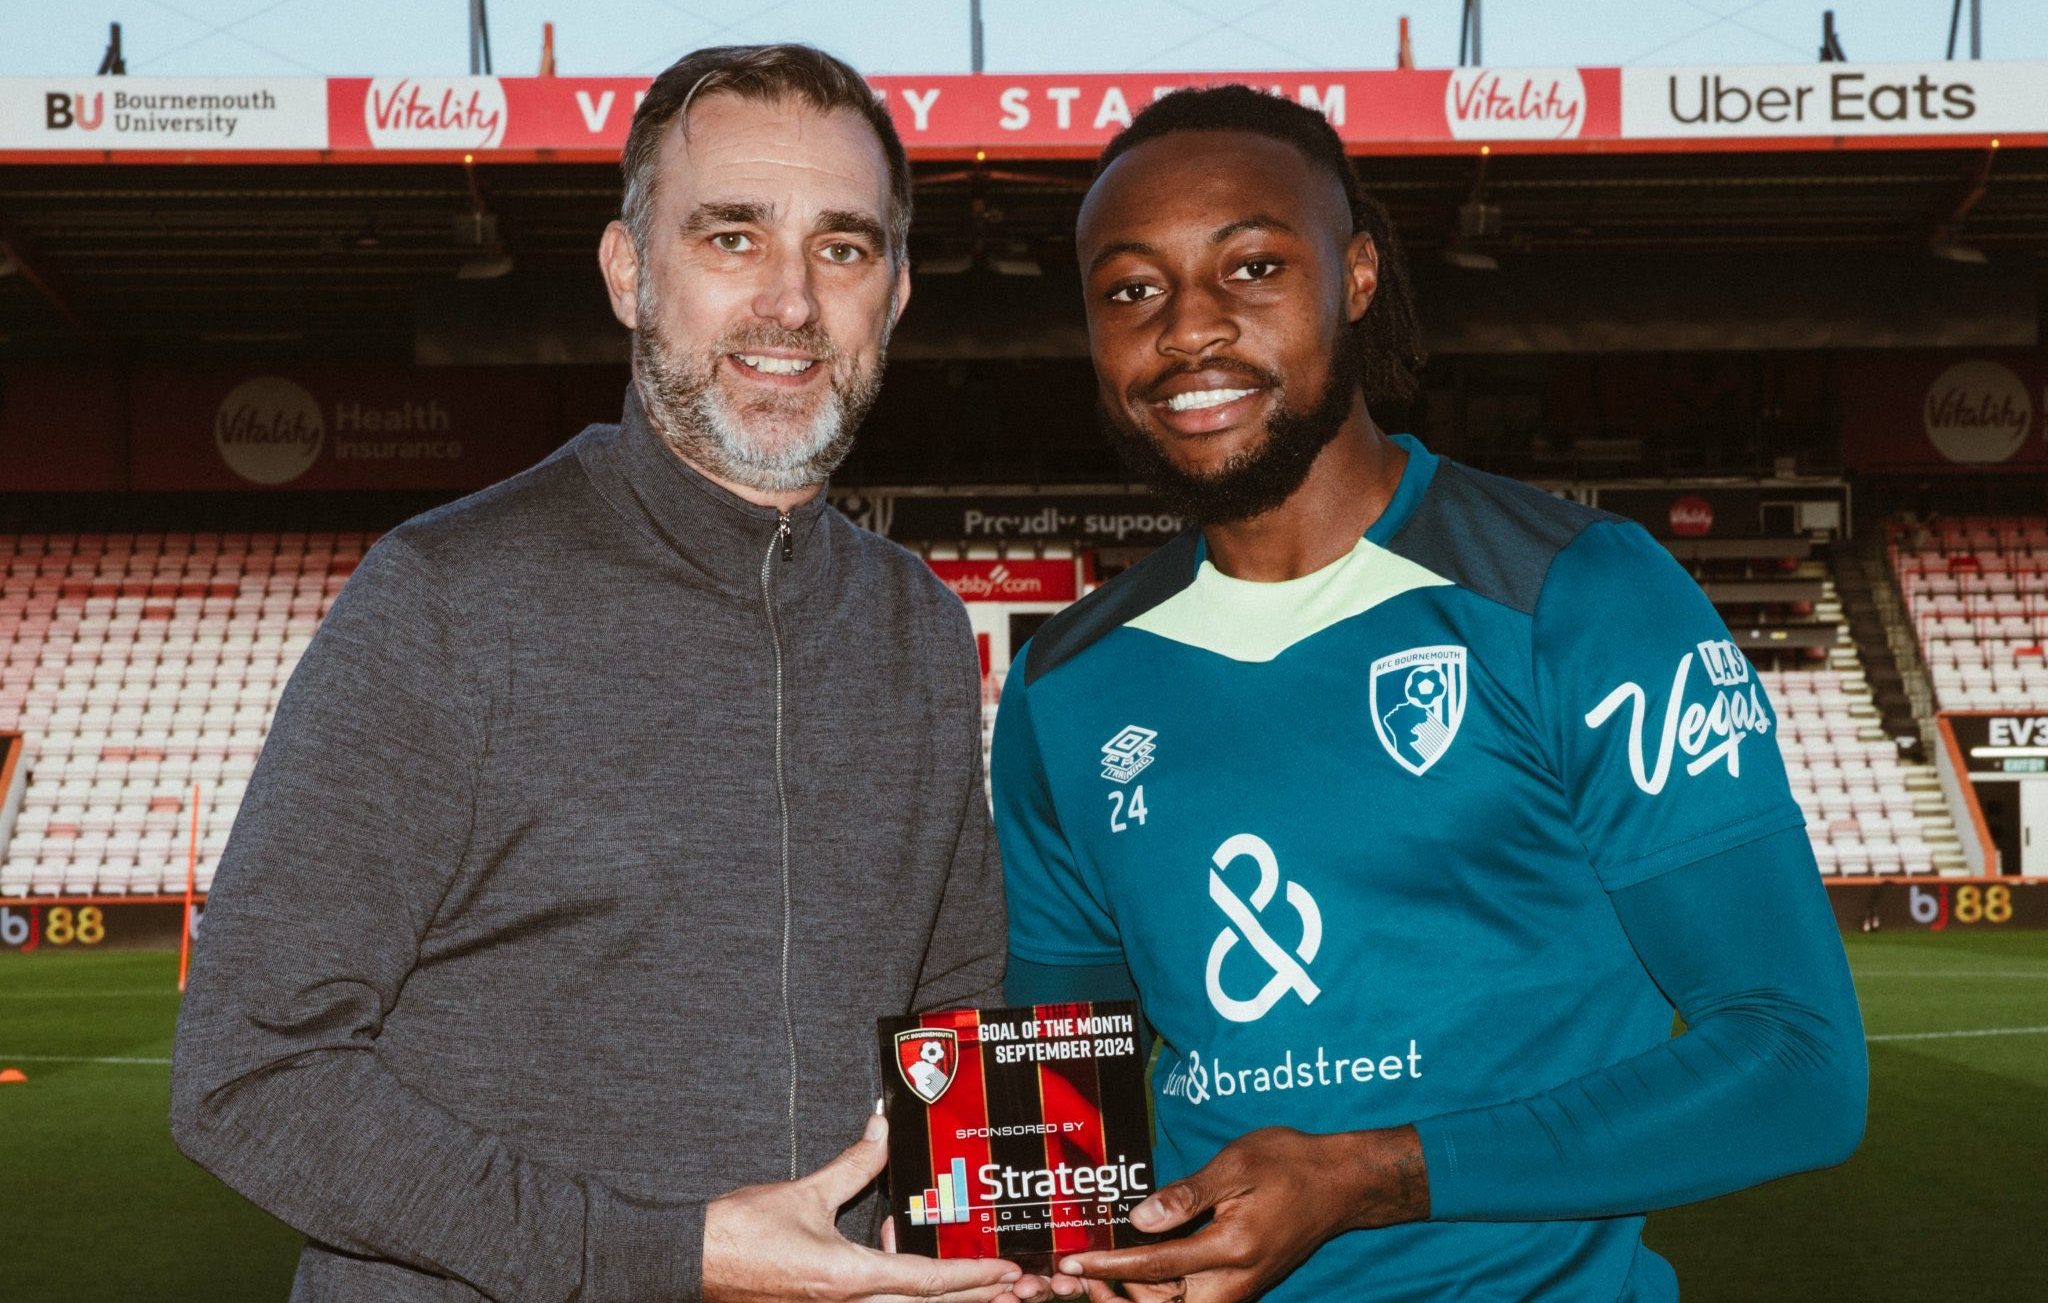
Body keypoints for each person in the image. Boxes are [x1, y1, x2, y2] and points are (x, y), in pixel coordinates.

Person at [173, 44, 1032, 1303]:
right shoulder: (445, 598)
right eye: (731, 237)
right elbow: (249, 1072)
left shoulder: (917, 626)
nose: (791, 302)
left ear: (894, 294)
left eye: (841, 248)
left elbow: (954, 1015)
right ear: (630, 275)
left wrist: (990, 1245)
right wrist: (665, 1258)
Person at [993, 86, 1867, 1303]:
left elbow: (1796, 1065)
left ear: (1354, 277)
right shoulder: (1062, 684)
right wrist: (1058, 1258)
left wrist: (1368, 1177)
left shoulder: (1578, 595)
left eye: (1251, 267)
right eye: (1130, 290)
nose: (1187, 329)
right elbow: (1054, 1120)